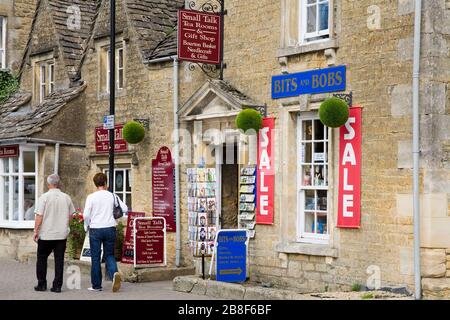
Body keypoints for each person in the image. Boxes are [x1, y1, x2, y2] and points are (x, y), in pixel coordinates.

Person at [83, 173, 127, 292]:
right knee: (109, 255)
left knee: (96, 257)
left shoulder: (91, 197)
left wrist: (86, 225)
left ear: (95, 183)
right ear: (105, 182)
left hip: (95, 229)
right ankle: (114, 274)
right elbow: (125, 209)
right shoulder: (113, 196)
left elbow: (86, 214)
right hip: (110, 228)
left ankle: (96, 286)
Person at [33, 174, 75, 293]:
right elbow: (71, 215)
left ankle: (41, 284)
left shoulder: (44, 197)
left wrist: (35, 230)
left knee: (41, 258)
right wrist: (65, 225)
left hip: (46, 234)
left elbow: (39, 216)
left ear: (48, 184)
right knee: (59, 260)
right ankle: (57, 286)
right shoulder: (66, 197)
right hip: (61, 234)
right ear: (58, 183)